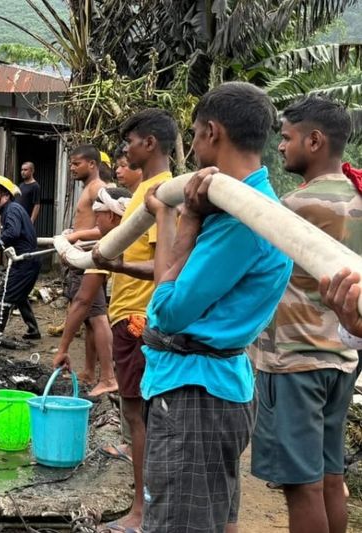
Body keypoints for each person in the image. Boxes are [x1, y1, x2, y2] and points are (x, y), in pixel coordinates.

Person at [138, 82, 293, 532]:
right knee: (211, 519)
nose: (192, 145)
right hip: (208, 390)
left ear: (211, 132)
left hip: (195, 397)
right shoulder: (240, 206)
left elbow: (167, 311)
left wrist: (187, 222)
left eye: (193, 134)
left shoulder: (243, 218)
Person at [250, 96, 360, 533]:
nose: (280, 146)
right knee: (332, 477)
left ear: (315, 141)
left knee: (301, 486)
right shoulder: (356, 194)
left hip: (295, 359)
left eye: (287, 136)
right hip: (341, 357)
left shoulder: (296, 209)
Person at [91, 108, 177, 532]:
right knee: (136, 415)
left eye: (130, 141)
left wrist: (117, 265)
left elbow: (168, 265)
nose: (124, 150)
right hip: (130, 315)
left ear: (151, 144)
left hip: (138, 318)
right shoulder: (147, 191)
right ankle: (147, 510)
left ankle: (142, 515)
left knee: (139, 416)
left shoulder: (162, 193)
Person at [52, 187, 132, 397]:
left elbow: (82, 300)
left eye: (98, 213)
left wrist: (62, 349)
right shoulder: (132, 234)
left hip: (132, 321)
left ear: (113, 215)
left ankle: (108, 378)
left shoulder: (110, 244)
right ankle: (100, 376)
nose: (95, 219)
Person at [61, 145, 114, 387]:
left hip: (88, 261)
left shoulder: (98, 188)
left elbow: (107, 227)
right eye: (71, 164)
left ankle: (108, 377)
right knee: (91, 320)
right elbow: (89, 224)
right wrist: (73, 233)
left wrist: (74, 238)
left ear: (92, 164)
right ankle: (91, 372)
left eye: (76, 163)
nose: (72, 168)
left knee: (98, 317)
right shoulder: (88, 189)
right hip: (82, 259)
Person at [0, 176, 40, 339]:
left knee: (3, 296)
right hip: (27, 262)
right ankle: (33, 331)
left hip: (24, 263)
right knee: (19, 296)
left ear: (6, 195)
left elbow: (12, 234)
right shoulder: (12, 209)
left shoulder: (11, 210)